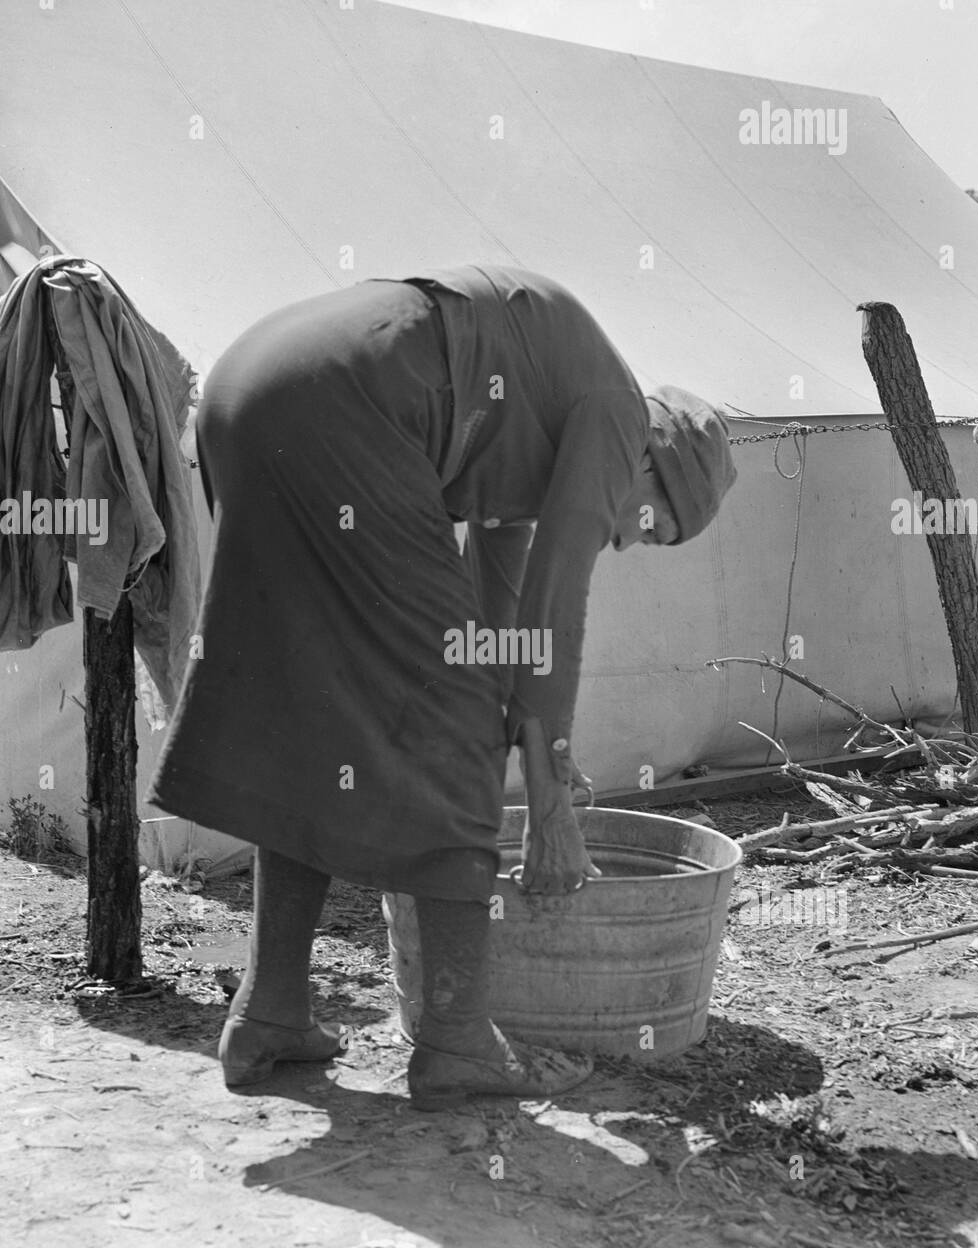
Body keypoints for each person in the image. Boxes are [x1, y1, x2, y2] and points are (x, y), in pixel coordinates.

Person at [147, 265, 736, 1110]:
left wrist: (528, 732)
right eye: (651, 522)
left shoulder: (538, 421)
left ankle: (268, 1011)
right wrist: (549, 803)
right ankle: (458, 1039)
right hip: (341, 411)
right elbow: (556, 606)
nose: (629, 541)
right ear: (650, 459)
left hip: (250, 394)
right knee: (452, 719)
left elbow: (499, 616)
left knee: (320, 711)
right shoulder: (617, 413)